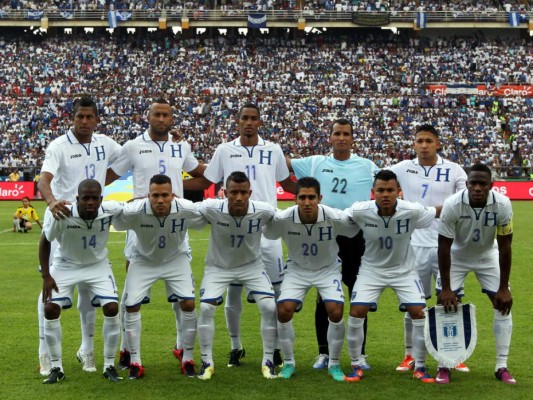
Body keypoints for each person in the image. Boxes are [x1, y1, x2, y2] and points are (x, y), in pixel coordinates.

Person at [184, 102, 295, 367]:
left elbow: (288, 183)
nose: (248, 122)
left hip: (266, 229)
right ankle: (236, 346)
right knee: (233, 293)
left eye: (253, 118)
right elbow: (206, 182)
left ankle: (276, 348)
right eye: (244, 118)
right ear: (238, 121)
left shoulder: (274, 149)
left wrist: (315, 189)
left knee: (276, 293)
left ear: (259, 122)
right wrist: (172, 186)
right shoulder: (224, 149)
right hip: (233, 229)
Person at [106, 98, 205, 370]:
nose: (161, 119)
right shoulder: (133, 146)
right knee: (132, 286)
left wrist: (182, 193)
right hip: (142, 222)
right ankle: (127, 348)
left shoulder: (180, 145)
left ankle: (181, 346)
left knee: (181, 291)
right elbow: (109, 176)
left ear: (171, 118)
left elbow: (200, 176)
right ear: (148, 117)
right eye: (157, 114)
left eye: (166, 115)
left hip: (174, 222)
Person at [37, 96, 122, 376]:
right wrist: (51, 202)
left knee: (89, 299)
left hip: (92, 214)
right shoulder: (59, 146)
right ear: (72, 118)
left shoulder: (105, 143)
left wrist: (172, 140)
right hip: (63, 217)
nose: (84, 122)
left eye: (89, 117)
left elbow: (129, 158)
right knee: (49, 294)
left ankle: (87, 350)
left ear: (97, 119)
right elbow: (43, 180)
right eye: (79, 117)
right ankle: (45, 354)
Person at [287, 118, 378, 370]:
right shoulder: (315, 162)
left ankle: (360, 354)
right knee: (323, 295)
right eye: (336, 133)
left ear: (352, 139)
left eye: (346, 134)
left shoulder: (368, 166)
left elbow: (388, 185)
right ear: (330, 138)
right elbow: (281, 164)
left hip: (355, 236)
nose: (341, 137)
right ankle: (324, 353)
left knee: (358, 295)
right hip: (324, 235)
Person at [345, 170, 440, 384]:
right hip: (371, 270)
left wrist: (464, 206)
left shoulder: (412, 210)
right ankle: (356, 365)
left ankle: (421, 367)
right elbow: (339, 219)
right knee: (356, 311)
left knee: (419, 312)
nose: (385, 194)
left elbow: (437, 212)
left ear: (399, 192)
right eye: (380, 190)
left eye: (390, 190)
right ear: (373, 192)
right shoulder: (360, 210)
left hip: (404, 271)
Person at [388, 124, 468, 373]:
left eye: (429, 141)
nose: (424, 145)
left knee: (451, 300)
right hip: (414, 246)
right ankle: (409, 355)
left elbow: (464, 203)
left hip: (447, 245)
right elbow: (383, 189)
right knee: (414, 303)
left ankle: (453, 354)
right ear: (414, 144)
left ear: (438, 144)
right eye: (419, 141)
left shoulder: (454, 170)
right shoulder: (401, 169)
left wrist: (429, 212)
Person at [263, 177, 358, 381]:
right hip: (297, 270)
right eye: (302, 197)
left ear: (319, 198)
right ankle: (289, 363)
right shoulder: (284, 217)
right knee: (284, 310)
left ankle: (334, 363)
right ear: (294, 198)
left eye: (311, 197)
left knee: (335, 310)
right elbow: (269, 233)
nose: (307, 202)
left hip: (328, 268)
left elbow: (352, 229)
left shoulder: (332, 216)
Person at [111, 174, 205, 379]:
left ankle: (187, 358)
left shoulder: (186, 208)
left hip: (175, 259)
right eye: (155, 196)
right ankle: (135, 361)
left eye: (165, 195)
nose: (160, 200)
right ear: (148, 196)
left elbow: (205, 216)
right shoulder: (135, 211)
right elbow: (116, 217)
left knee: (188, 304)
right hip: (143, 261)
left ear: (173, 195)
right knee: (131, 305)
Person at [436, 163, 515, 385]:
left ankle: (502, 366)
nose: (478, 188)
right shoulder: (453, 204)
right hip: (456, 257)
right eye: (473, 183)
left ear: (491, 185)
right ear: (466, 184)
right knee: (445, 305)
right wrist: (447, 288)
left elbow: (506, 246)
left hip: (487, 256)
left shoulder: (503, 204)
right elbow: (443, 246)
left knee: (503, 304)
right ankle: (444, 365)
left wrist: (503, 286)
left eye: (483, 183)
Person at [195, 171, 278, 380]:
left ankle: (268, 361)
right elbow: (183, 208)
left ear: (250, 193)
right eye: (234, 192)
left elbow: (283, 221)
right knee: (205, 307)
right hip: (218, 267)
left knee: (269, 306)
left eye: (243, 192)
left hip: (252, 266)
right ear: (224, 193)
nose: (239, 197)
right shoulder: (211, 208)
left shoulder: (264, 210)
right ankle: (207, 362)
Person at [40, 179, 123, 384]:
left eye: (95, 198)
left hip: (98, 265)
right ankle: (56, 367)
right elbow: (45, 241)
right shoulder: (62, 214)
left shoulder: (109, 210)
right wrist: (46, 276)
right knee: (50, 309)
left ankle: (109, 365)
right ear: (77, 199)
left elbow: (133, 207)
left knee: (112, 307)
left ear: (101, 199)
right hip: (66, 264)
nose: (90, 202)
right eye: (85, 198)